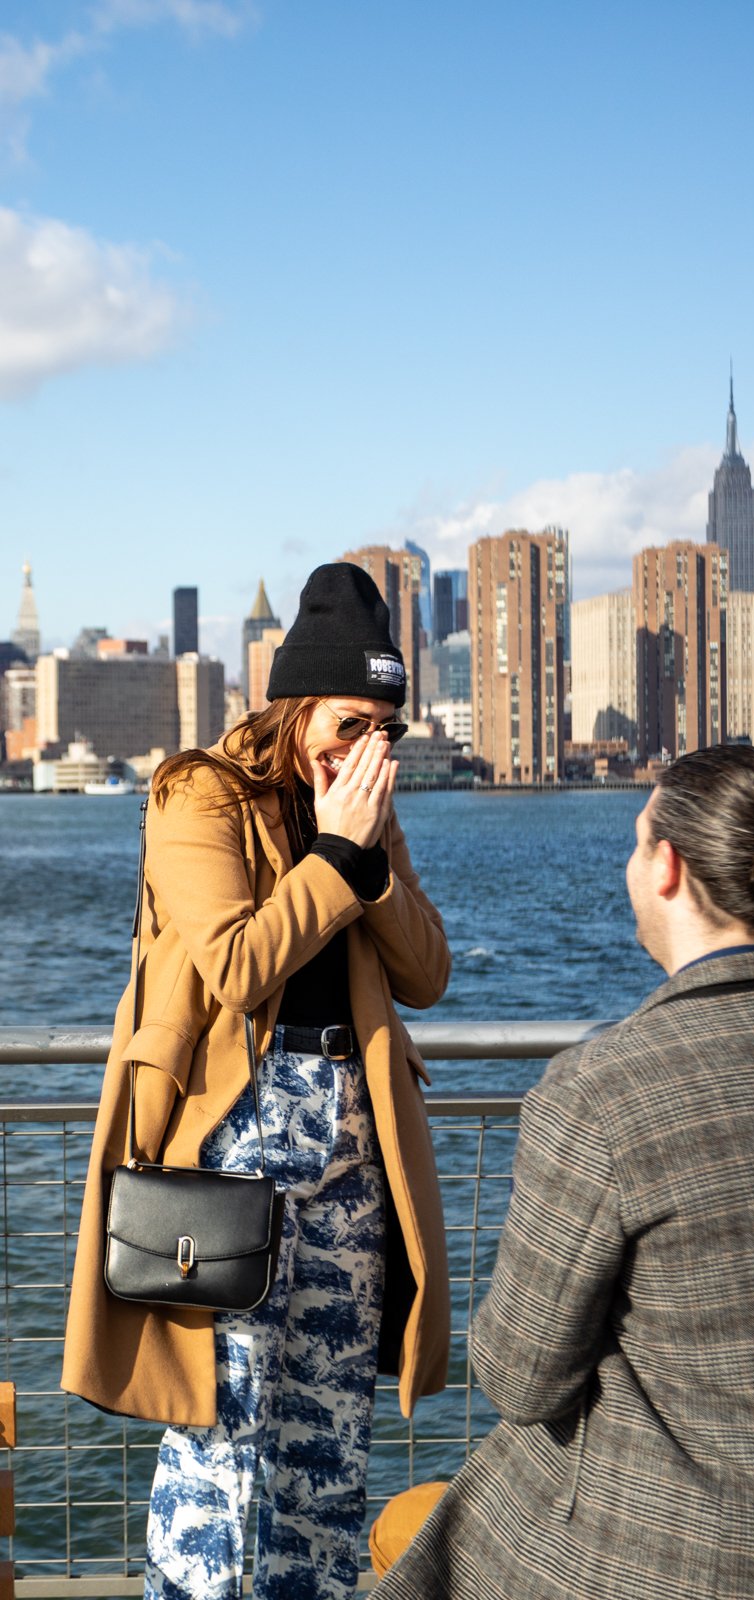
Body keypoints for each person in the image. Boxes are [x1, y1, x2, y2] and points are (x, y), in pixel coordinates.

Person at [376, 744, 754, 1600]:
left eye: (635, 841)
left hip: (684, 1566)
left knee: (434, 1538)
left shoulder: (603, 1090)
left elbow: (519, 1378)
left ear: (669, 867)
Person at [62, 563, 451, 1600]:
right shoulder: (199, 793)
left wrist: (362, 857)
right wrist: (336, 852)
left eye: (384, 727)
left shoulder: (359, 808)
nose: (366, 746)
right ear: (293, 703)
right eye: (347, 721)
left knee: (327, 1453)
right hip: (234, 1149)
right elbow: (235, 962)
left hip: (353, 1151)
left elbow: (426, 970)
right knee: (225, 1450)